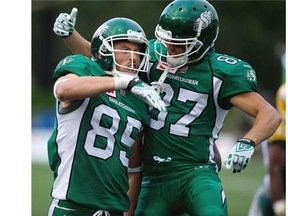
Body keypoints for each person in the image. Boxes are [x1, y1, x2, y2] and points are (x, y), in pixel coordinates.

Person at [52, 1, 282, 215]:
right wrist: (71, 36)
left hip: (196, 171)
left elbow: (269, 114)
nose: (169, 47)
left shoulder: (221, 72)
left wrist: (248, 141)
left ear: (202, 42)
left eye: (178, 43)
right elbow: (106, 57)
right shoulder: (150, 54)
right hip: (153, 175)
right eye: (165, 39)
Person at [48, 17, 166, 216]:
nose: (134, 57)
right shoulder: (84, 68)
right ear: (104, 51)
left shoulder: (138, 100)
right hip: (73, 206)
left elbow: (134, 170)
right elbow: (63, 90)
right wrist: (124, 83)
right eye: (125, 49)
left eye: (138, 51)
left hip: (114, 210)